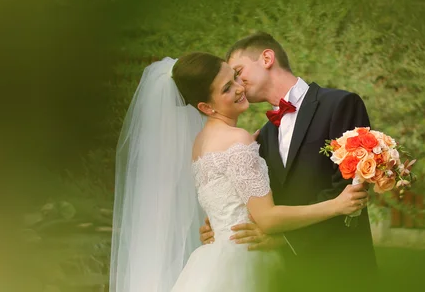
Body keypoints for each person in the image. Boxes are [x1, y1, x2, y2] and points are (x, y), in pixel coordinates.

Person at [109, 52, 368, 292]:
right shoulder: (237, 140)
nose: (239, 88)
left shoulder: (199, 143)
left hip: (211, 261)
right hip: (245, 262)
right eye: (226, 88)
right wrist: (336, 205)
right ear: (206, 107)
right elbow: (266, 218)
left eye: (234, 77)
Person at [199, 32, 378, 291]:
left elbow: (349, 193)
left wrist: (284, 238)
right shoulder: (262, 135)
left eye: (238, 72)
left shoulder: (340, 104)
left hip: (342, 270)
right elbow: (262, 197)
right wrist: (223, 225)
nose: (237, 84)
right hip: (286, 277)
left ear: (267, 58)